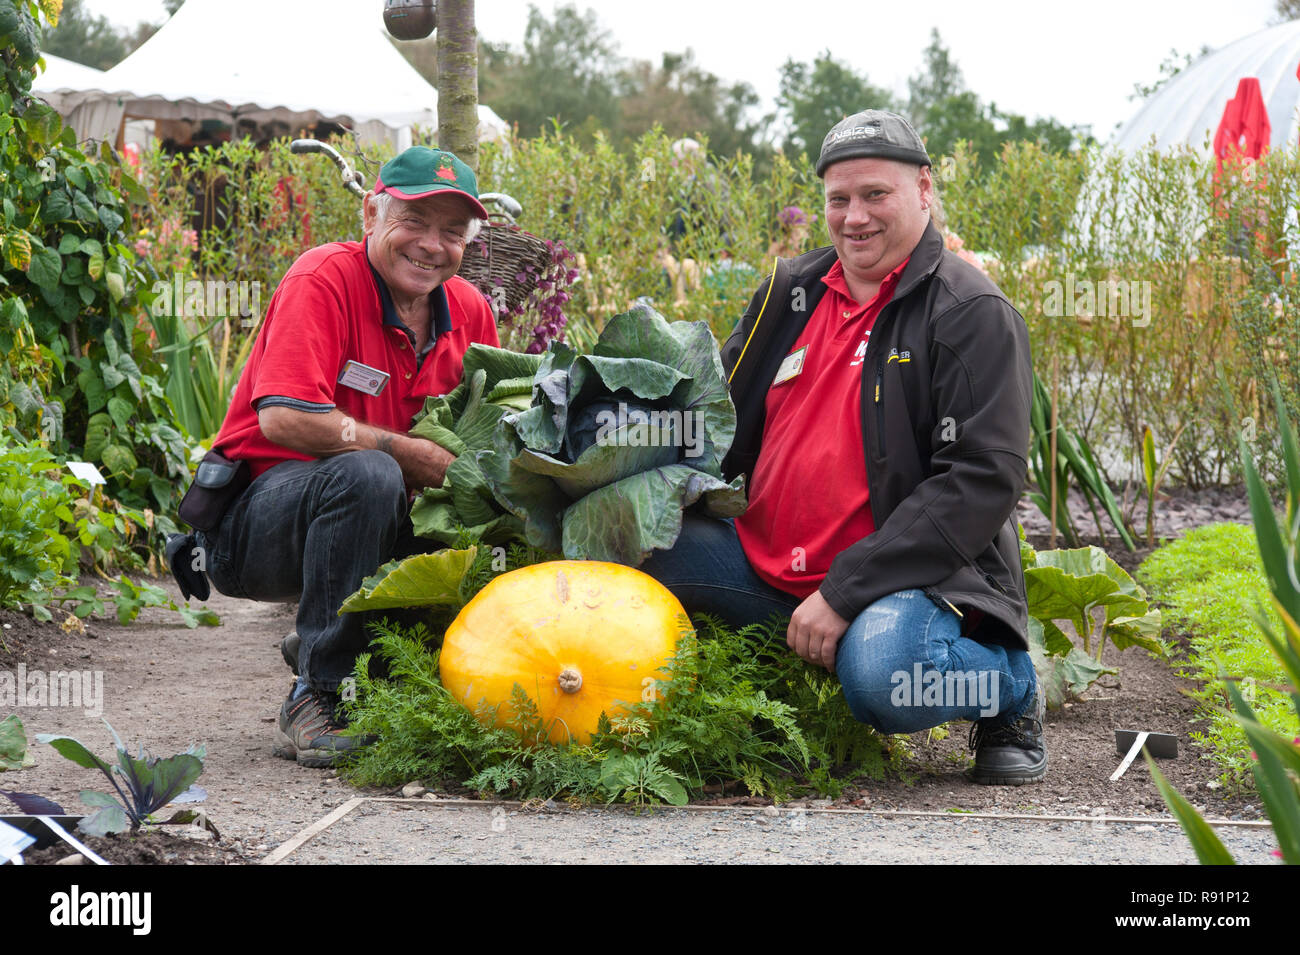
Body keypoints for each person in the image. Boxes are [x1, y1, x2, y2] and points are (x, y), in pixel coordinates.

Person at [639, 109, 1045, 785]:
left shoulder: (968, 311)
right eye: (839, 199)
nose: (854, 216)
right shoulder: (788, 293)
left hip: (906, 583)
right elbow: (721, 427)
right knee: (632, 544)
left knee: (888, 678)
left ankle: (1012, 686)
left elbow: (981, 480)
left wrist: (845, 590)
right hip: (765, 568)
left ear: (923, 189)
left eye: (875, 195)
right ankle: (783, 690)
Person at [186, 146, 500, 768]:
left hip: (370, 524)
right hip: (256, 526)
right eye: (414, 221)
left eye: (451, 232)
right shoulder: (322, 277)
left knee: (475, 503)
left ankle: (353, 652)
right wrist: (406, 450)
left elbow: (485, 437)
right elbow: (283, 417)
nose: (431, 245)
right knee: (371, 469)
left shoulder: (469, 311)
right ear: (370, 214)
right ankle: (317, 695)